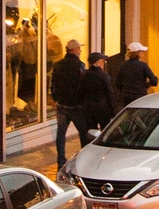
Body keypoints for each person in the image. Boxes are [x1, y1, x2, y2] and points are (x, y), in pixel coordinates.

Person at [48, 40, 86, 172]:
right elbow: (83, 84)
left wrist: (55, 99)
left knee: (60, 134)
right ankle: (83, 159)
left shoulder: (58, 65)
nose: (80, 51)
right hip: (76, 106)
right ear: (74, 50)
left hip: (62, 105)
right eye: (79, 49)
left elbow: (52, 84)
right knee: (84, 133)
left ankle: (60, 161)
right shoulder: (79, 65)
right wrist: (82, 101)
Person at [81, 52, 117, 135]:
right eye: (102, 61)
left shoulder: (84, 75)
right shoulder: (104, 76)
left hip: (89, 108)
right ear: (97, 62)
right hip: (102, 109)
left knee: (90, 132)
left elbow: (80, 92)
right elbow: (109, 93)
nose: (104, 63)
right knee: (105, 132)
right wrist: (113, 111)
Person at [116, 41, 158, 107]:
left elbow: (118, 82)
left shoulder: (123, 65)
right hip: (140, 95)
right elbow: (154, 80)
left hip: (126, 96)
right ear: (139, 53)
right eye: (142, 52)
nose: (143, 53)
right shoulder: (143, 65)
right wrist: (146, 86)